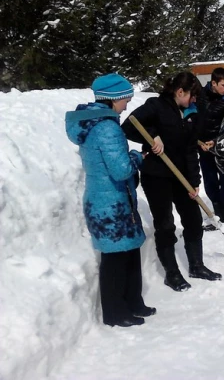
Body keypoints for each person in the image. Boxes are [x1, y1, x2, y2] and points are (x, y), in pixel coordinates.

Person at [65, 73, 155, 327]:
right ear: (113, 99)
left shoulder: (94, 123)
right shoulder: (106, 128)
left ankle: (133, 303)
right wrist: (138, 157)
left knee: (128, 252)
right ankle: (116, 313)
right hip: (110, 204)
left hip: (109, 199)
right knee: (116, 259)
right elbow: (121, 170)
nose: (127, 105)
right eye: (125, 99)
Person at [122, 72, 222, 292]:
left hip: (182, 175)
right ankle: (172, 273)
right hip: (157, 175)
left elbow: (190, 149)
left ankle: (196, 265)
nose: (194, 100)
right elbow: (128, 126)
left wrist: (195, 182)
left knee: (194, 220)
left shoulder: (192, 113)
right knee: (165, 224)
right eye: (191, 96)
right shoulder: (155, 106)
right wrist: (152, 135)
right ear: (180, 92)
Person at [196, 67, 224, 235]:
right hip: (203, 148)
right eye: (223, 85)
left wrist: (216, 141)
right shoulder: (201, 96)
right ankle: (218, 220)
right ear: (213, 83)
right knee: (209, 183)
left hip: (223, 147)